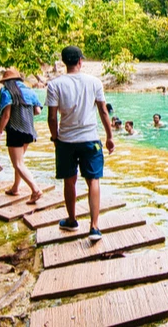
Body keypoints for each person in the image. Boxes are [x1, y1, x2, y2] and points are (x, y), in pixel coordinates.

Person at [46, 46, 114, 241]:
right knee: (93, 180)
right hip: (90, 139)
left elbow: (51, 117)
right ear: (80, 62)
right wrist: (109, 137)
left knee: (70, 180)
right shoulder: (94, 82)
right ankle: (94, 227)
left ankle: (72, 220)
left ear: (64, 62)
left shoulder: (55, 85)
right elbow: (103, 111)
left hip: (66, 140)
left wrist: (55, 137)